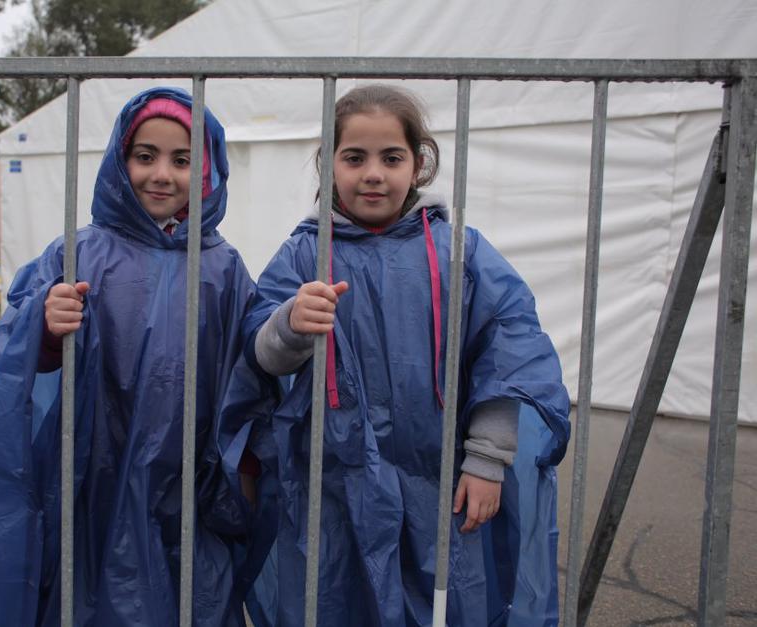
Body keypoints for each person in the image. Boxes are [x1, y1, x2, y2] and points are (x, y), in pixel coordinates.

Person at [219, 84, 571, 626]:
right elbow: (259, 356)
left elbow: (508, 350)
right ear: (329, 163)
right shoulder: (304, 254)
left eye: (391, 157)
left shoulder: (460, 252)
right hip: (331, 489)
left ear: (418, 163)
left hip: (442, 487)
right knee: (335, 606)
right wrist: (290, 325)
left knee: (444, 608)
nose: (373, 174)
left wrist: (487, 459)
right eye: (354, 158)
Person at [0, 87, 267, 626]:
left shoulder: (223, 267)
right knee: (93, 595)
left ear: (206, 172)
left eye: (182, 160)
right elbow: (20, 361)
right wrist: (46, 325)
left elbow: (251, 358)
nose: (162, 174)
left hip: (190, 485)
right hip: (95, 477)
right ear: (119, 161)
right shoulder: (79, 253)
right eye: (145, 156)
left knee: (190, 597)